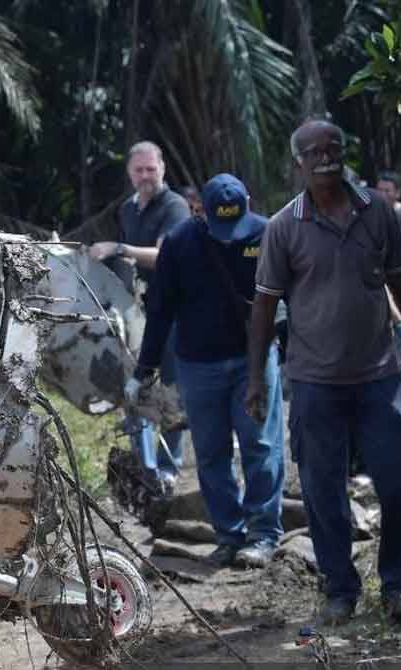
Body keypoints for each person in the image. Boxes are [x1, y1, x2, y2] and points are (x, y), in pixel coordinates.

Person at [247, 119, 401, 624]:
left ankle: (398, 587)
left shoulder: (378, 213)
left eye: (334, 148)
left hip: (381, 377)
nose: (326, 157)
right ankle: (340, 590)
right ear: (297, 162)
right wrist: (255, 378)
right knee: (324, 493)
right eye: (314, 151)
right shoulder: (283, 227)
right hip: (315, 383)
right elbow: (263, 307)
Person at [126, 174, 284, 568]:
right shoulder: (180, 243)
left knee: (260, 447)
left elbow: (291, 300)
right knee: (211, 453)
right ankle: (229, 534)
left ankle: (263, 535)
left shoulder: (267, 235)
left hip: (255, 361)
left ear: (249, 203)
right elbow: (159, 310)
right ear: (200, 210)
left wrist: (295, 354)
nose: (231, 237)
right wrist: (144, 369)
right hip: (198, 366)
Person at [90, 141, 191, 488]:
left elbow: (165, 255)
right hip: (137, 311)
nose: (146, 176)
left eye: (151, 169)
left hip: (175, 311)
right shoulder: (128, 210)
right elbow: (127, 265)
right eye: (139, 170)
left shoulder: (176, 206)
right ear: (130, 173)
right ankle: (145, 469)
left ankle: (170, 469)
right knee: (135, 385)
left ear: (163, 168)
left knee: (172, 389)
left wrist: (119, 248)